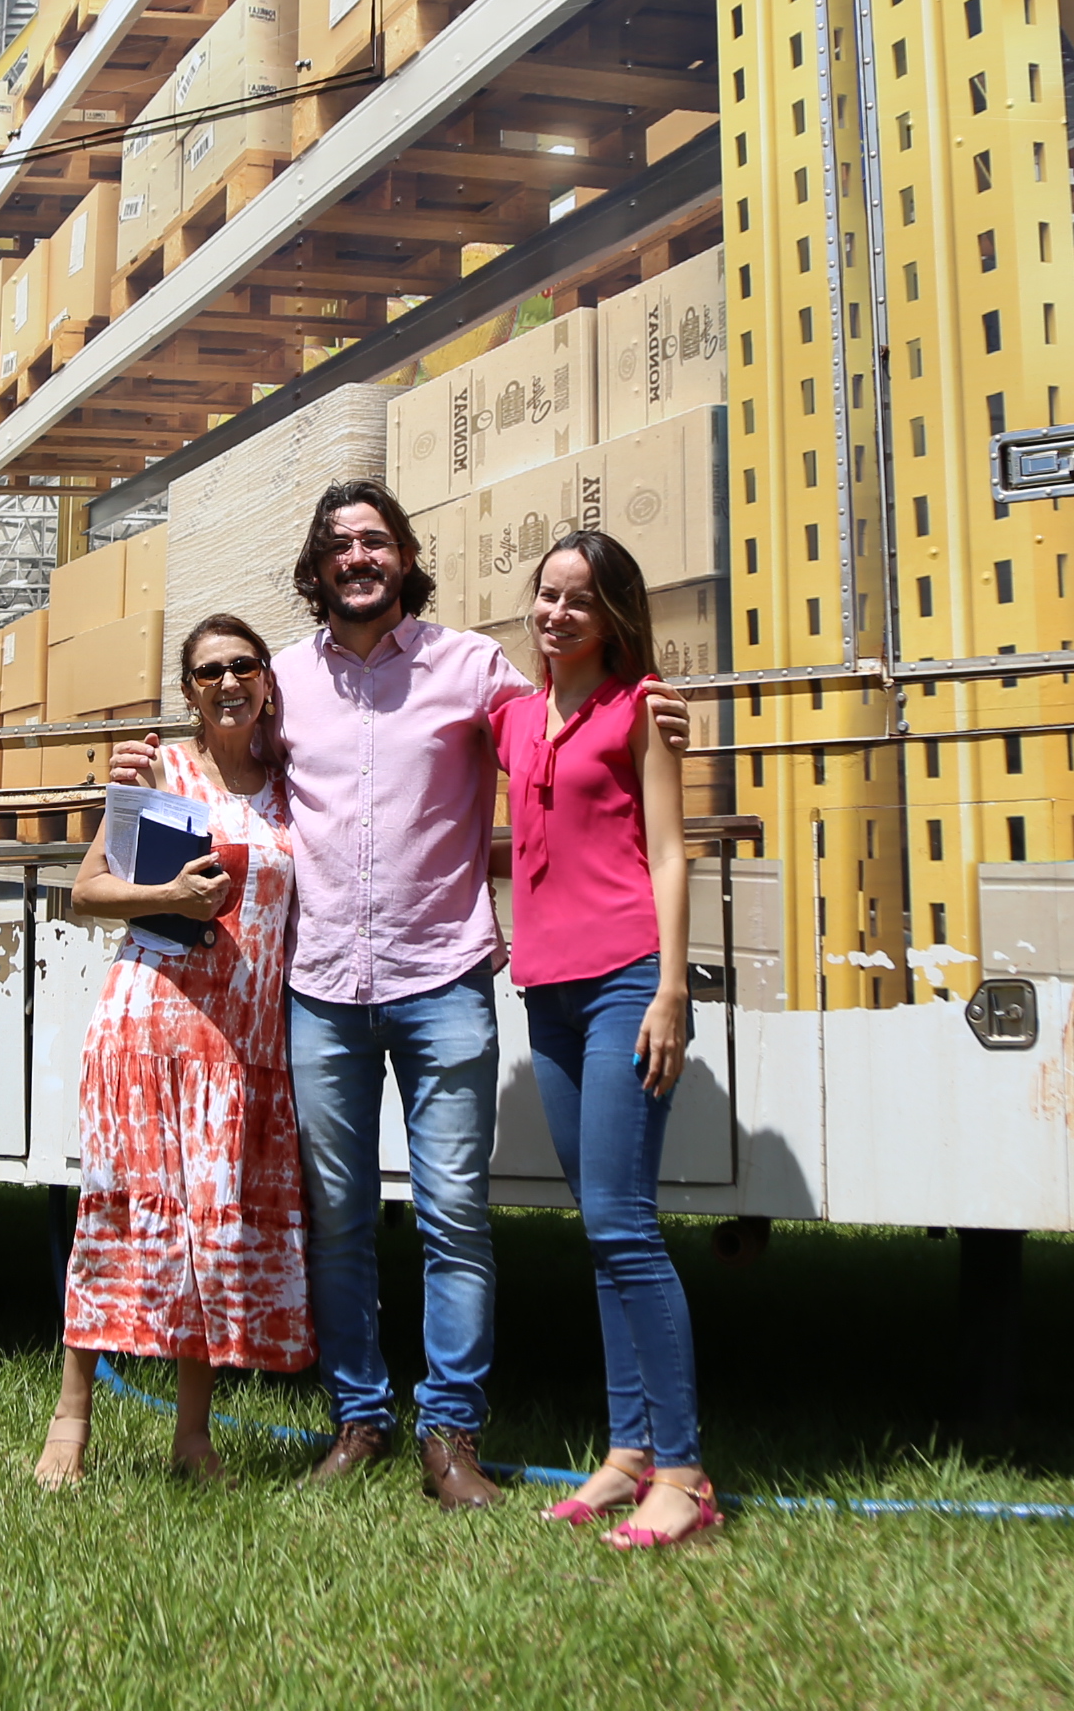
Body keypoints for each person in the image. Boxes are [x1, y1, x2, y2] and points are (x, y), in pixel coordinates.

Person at [110, 477, 686, 1509]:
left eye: (376, 540)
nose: (359, 557)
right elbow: (223, 746)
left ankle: (451, 1434)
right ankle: (360, 1418)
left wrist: (649, 697)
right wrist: (140, 764)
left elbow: (570, 716)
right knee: (335, 1217)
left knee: (455, 1216)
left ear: (404, 554)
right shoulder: (281, 680)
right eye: (340, 545)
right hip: (322, 987)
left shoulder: (472, 667)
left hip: (443, 978)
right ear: (319, 567)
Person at [36, 615, 313, 1489]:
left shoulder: (293, 791)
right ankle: (70, 1423)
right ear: (188, 692)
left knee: (210, 1231)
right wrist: (171, 895)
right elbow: (87, 890)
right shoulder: (167, 773)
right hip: (152, 1025)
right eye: (207, 673)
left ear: (267, 679)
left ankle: (193, 1443)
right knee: (118, 1216)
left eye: (242, 667)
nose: (227, 683)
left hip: (242, 1042)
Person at [493, 529, 714, 1546]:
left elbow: (669, 853)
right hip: (548, 990)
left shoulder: (643, 711)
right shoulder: (511, 715)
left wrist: (673, 986)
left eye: (579, 599)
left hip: (629, 977)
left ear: (614, 613)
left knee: (625, 1223)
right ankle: (628, 1452)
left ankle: (685, 1472)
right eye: (546, 595)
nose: (557, 613)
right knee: (599, 1230)